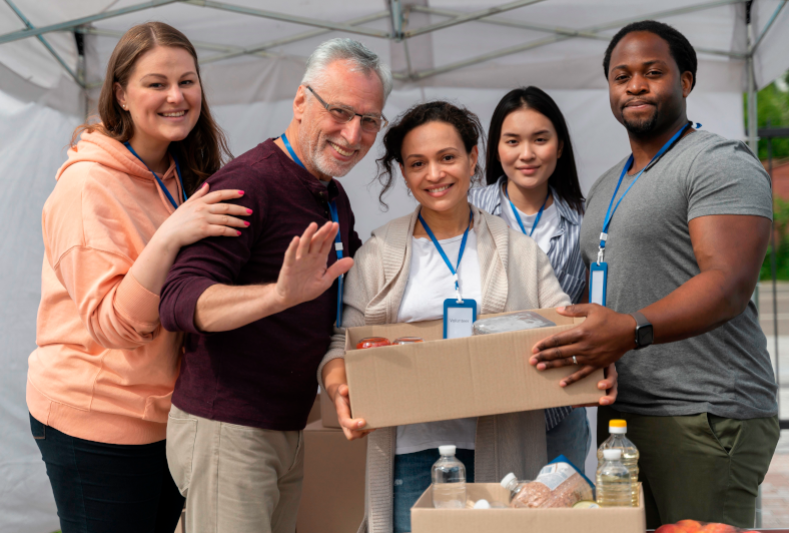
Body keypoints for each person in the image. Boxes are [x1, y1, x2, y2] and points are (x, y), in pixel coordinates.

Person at [318, 101, 618, 533]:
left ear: (473, 158)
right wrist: (339, 385)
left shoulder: (518, 251)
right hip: (411, 452)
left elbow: (566, 328)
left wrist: (594, 364)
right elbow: (341, 342)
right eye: (417, 163)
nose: (434, 174)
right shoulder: (380, 254)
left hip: (503, 452)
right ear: (403, 172)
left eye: (447, 158)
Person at [529, 20, 779, 528]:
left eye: (653, 72)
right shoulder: (606, 184)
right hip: (626, 416)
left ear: (685, 82)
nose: (635, 86)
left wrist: (630, 330)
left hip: (704, 412)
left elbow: (728, 284)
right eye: (621, 76)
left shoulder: (718, 163)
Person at [158, 38, 392, 533]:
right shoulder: (249, 184)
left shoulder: (331, 192)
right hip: (229, 428)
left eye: (369, 120)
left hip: (284, 425)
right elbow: (178, 300)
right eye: (341, 112)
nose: (354, 134)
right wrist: (277, 295)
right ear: (302, 101)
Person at [27, 22, 247, 533]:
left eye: (187, 81)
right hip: (96, 419)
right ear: (121, 95)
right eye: (156, 83)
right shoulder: (86, 187)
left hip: (166, 417)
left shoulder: (181, 171)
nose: (176, 96)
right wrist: (172, 233)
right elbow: (113, 325)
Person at [468, 86, 591, 470]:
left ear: (560, 146)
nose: (527, 153)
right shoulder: (465, 213)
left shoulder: (586, 221)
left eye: (540, 139)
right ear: (496, 148)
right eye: (512, 141)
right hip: (483, 398)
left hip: (559, 401)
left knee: (558, 518)